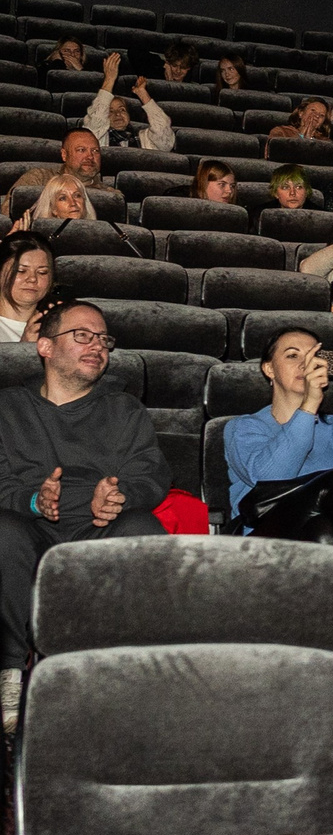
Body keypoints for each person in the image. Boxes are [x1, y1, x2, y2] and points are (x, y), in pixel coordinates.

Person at [0, 300, 170, 727]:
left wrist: (120, 496)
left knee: (143, 527)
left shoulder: (124, 409)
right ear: (44, 347)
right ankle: (9, 670)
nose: (97, 346)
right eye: (82, 335)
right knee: (2, 531)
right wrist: (33, 501)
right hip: (29, 526)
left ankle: (125, 675)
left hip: (99, 528)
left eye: (103, 339)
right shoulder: (7, 407)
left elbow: (151, 474)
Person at [223, 330, 333, 653]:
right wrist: (307, 408)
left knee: (324, 527)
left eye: (312, 356)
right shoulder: (244, 427)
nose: (305, 364)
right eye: (293, 355)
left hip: (331, 547)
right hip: (264, 547)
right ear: (268, 369)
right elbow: (267, 478)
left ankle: (332, 667)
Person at [0, 233, 53, 343]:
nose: (32, 279)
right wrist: (24, 350)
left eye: (42, 272)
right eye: (21, 271)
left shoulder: (56, 327)